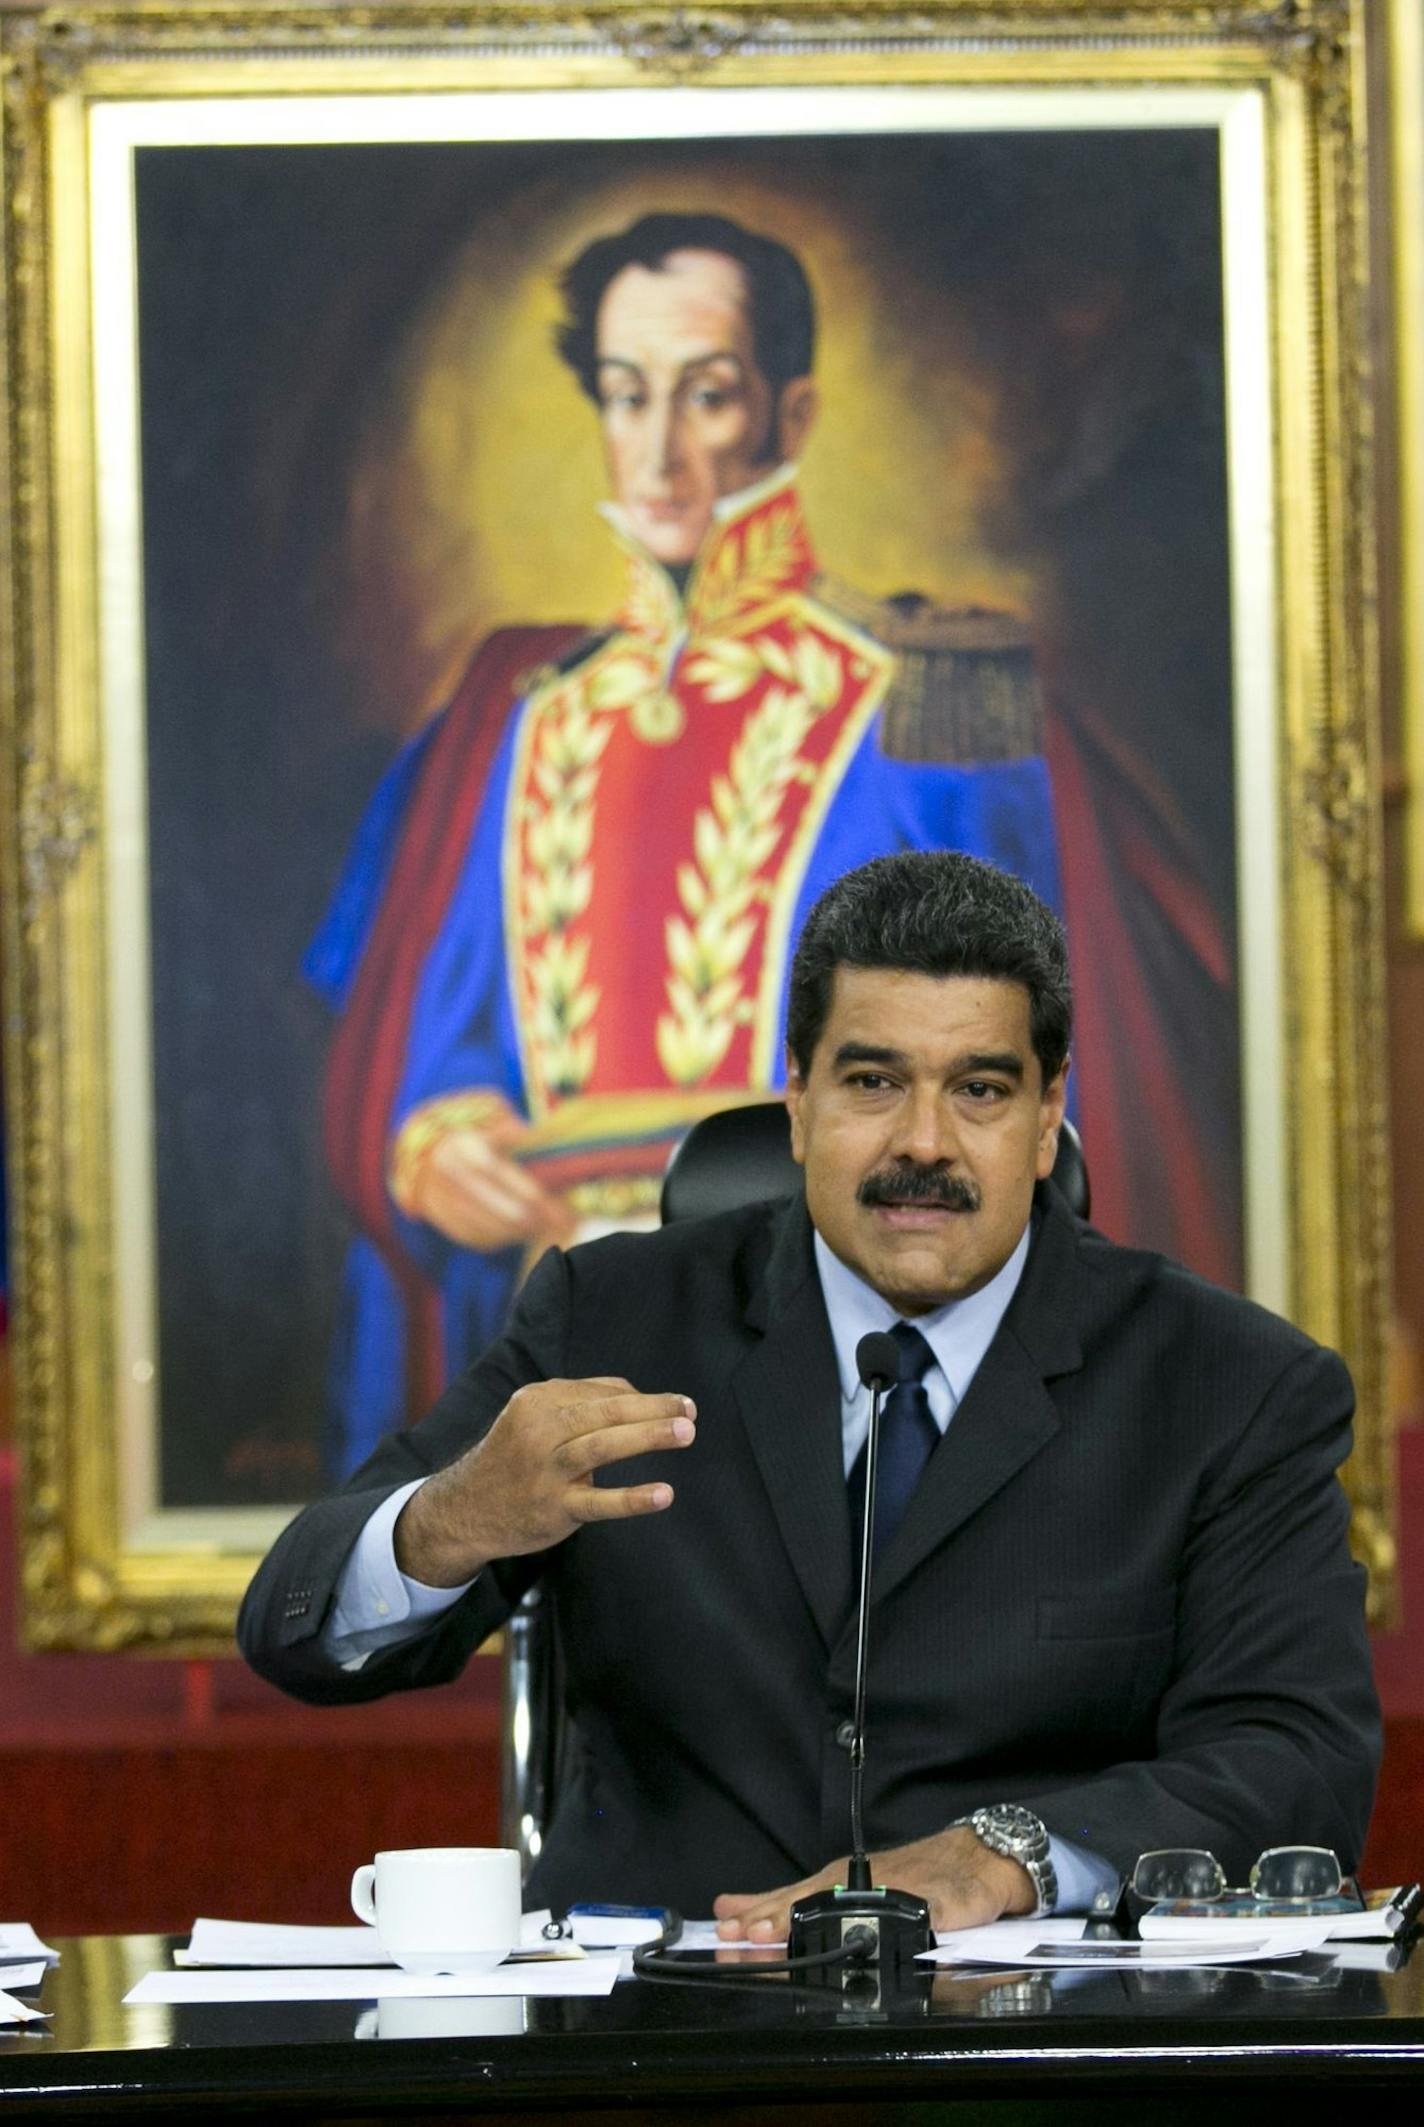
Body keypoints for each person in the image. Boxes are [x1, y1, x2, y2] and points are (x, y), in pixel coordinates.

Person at [242, 850, 1379, 1934]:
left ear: (1045, 1120)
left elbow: (1296, 1759)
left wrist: (1008, 1857)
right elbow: (294, 1630)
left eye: (978, 1089)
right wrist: (450, 1519)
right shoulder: (613, 1317)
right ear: (796, 1103)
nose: (922, 1144)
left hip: (1028, 2036)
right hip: (657, 2033)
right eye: (872, 1081)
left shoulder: (1229, 1385)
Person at [306, 212, 1064, 1473]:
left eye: (705, 397)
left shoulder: (925, 697)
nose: (655, 451)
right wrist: (435, 1138)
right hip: (546, 1320)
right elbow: (422, 1032)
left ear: (791, 412)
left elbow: (1031, 1061)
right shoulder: (517, 711)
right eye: (624, 395)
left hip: (839, 1322)